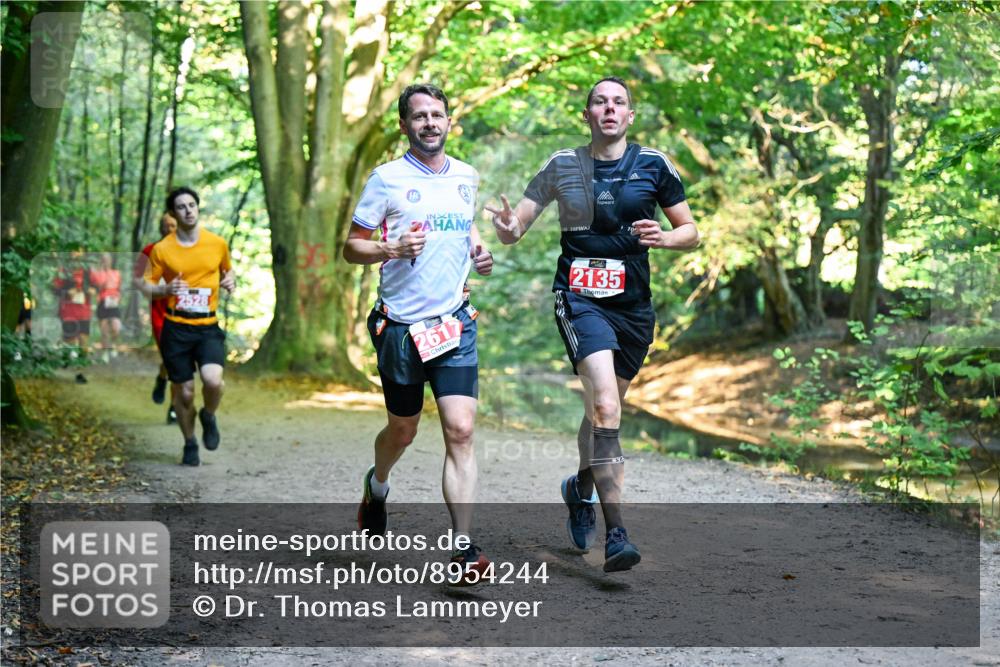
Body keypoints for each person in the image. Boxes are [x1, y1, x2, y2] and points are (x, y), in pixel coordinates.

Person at [488, 76, 700, 572]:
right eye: (599, 102)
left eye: (618, 103)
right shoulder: (562, 165)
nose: (609, 109)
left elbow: (690, 231)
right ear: (586, 115)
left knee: (605, 411)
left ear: (630, 116)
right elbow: (517, 227)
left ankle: (579, 487)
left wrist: (667, 239)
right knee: (605, 404)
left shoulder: (654, 165)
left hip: (633, 307)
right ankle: (617, 533)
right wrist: (506, 228)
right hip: (579, 299)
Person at [343, 83, 494, 583]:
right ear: (405, 125)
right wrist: (391, 249)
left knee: (461, 430)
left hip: (453, 323)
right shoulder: (385, 179)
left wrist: (479, 251)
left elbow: (464, 227)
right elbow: (351, 247)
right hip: (400, 329)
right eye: (419, 116)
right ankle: (378, 484)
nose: (430, 122)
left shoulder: (467, 176)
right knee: (403, 431)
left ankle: (463, 550)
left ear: (450, 121)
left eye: (438, 114)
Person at [140, 187, 235, 466]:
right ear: (173, 213)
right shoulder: (162, 249)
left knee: (213, 380)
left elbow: (228, 271)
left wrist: (231, 282)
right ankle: (190, 442)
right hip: (176, 328)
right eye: (181, 207)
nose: (188, 210)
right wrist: (166, 288)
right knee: (184, 392)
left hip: (207, 326)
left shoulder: (217, 243)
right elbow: (146, 285)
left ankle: (208, 415)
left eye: (192, 205)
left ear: (198, 207)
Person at [134, 212, 179, 424]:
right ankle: (162, 378)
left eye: (173, 225)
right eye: (166, 225)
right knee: (171, 358)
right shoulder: (149, 251)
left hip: (184, 311)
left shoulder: (188, 251)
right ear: (161, 228)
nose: (170, 229)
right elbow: (139, 282)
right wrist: (158, 289)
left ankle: (174, 407)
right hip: (160, 311)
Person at [52, 250, 94, 384]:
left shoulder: (87, 272)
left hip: (84, 311)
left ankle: (79, 373)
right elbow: (54, 289)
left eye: (79, 252)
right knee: (70, 341)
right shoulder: (63, 270)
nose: (76, 254)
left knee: (83, 343)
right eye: (73, 252)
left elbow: (96, 286)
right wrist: (66, 292)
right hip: (68, 311)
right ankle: (65, 355)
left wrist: (93, 290)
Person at [89, 253, 123, 362]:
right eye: (103, 259)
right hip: (103, 302)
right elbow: (96, 285)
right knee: (104, 330)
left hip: (113, 303)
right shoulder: (97, 274)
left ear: (111, 261)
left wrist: (118, 297)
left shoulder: (117, 273)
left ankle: (112, 345)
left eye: (107, 259)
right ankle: (105, 351)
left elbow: (119, 288)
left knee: (116, 327)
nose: (106, 261)